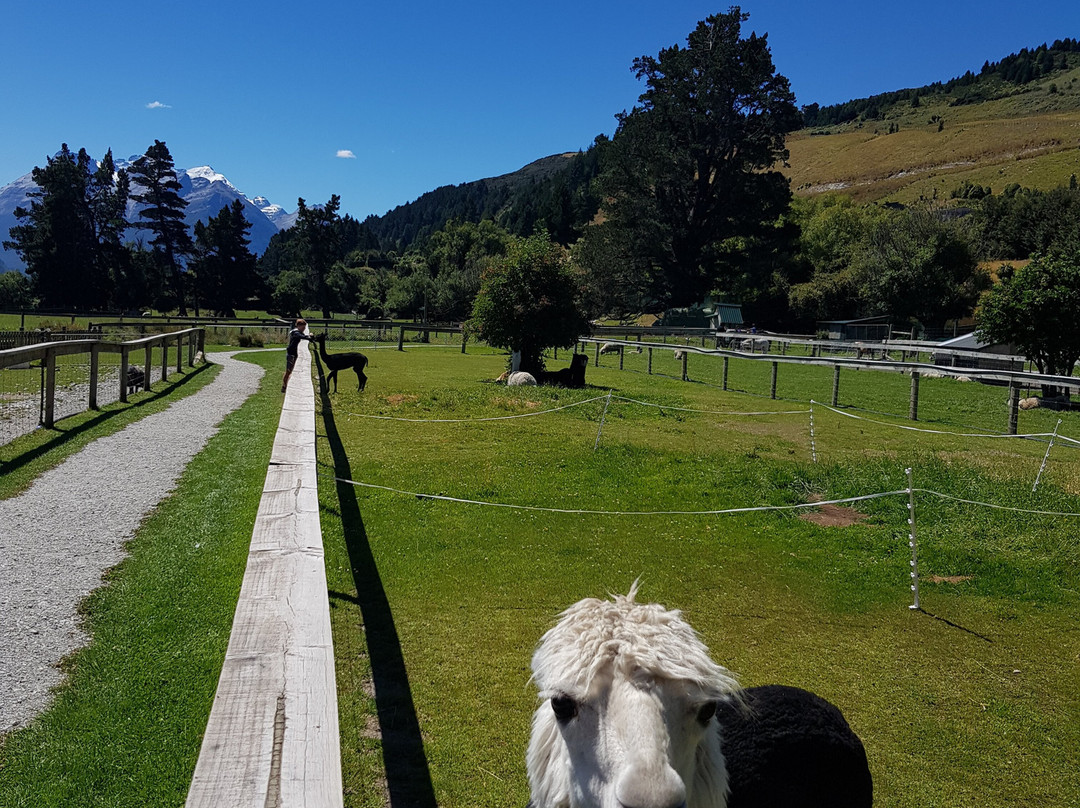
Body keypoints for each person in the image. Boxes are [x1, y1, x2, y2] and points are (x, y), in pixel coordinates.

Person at [282, 318, 315, 392]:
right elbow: (302, 336)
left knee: (291, 370)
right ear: (298, 326)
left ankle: (286, 385)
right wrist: (309, 337)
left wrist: (310, 337)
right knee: (288, 371)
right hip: (291, 353)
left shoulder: (298, 332)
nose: (304, 329)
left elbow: (305, 336)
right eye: (303, 327)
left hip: (294, 353)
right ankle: (284, 386)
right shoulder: (296, 333)